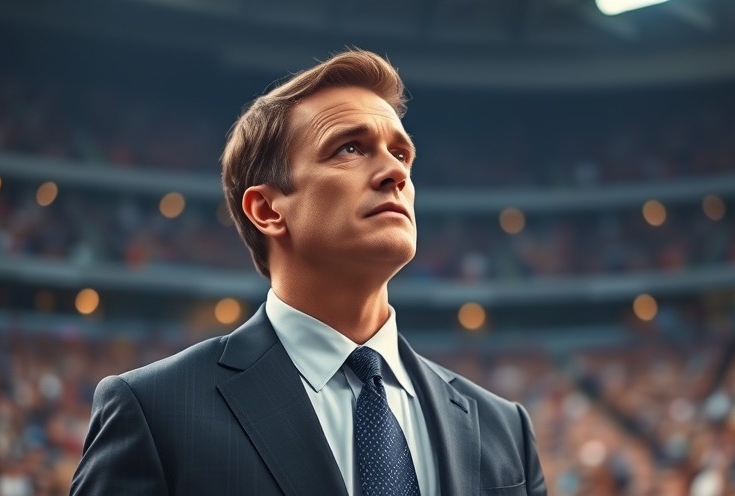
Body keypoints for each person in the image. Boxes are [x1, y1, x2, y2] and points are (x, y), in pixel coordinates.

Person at [70, 48, 546, 496]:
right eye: (350, 148)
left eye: (401, 154)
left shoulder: (505, 429)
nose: (396, 173)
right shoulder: (154, 411)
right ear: (267, 210)